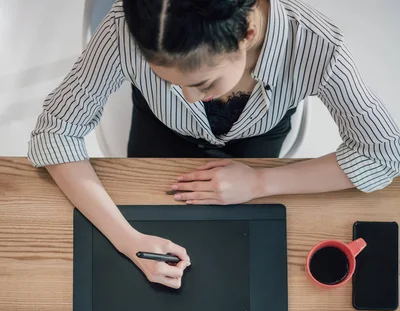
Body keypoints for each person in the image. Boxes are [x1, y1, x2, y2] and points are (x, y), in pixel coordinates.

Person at [28, 0, 400, 289]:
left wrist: (259, 183)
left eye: (203, 83)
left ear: (248, 32)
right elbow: (56, 131)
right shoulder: (125, 30)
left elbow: (383, 153)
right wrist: (129, 240)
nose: (186, 100)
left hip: (258, 140)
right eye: (167, 82)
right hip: (158, 132)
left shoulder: (318, 45)